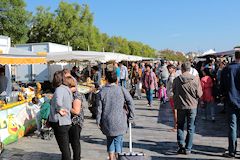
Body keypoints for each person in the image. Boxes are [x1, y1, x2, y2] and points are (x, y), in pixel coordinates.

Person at [96, 70, 135, 160]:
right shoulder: (121, 89)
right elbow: (131, 102)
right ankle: (119, 157)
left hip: (107, 121)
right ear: (116, 79)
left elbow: (99, 109)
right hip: (120, 120)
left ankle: (111, 157)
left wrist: (98, 120)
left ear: (106, 79)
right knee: (118, 140)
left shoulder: (102, 92)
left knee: (110, 140)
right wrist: (131, 116)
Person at [173, 62, 203, 155]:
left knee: (180, 126)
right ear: (190, 69)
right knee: (191, 127)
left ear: (182, 69)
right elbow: (199, 94)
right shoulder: (195, 79)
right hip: (192, 106)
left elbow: (174, 91)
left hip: (180, 105)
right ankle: (188, 148)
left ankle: (181, 145)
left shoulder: (176, 79)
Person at [49, 71, 73, 160]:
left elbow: (59, 102)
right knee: (65, 146)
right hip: (66, 120)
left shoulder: (59, 89)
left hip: (60, 121)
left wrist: (59, 109)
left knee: (64, 148)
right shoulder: (67, 89)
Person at [221, 51, 240, 158]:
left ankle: (232, 151)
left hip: (231, 100)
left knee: (232, 127)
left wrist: (223, 95)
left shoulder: (227, 69)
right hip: (233, 99)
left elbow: (222, 86)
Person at [63, 69, 84, 160]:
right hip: (68, 121)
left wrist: (66, 107)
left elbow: (76, 111)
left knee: (75, 143)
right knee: (68, 142)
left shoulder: (76, 95)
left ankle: (76, 158)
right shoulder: (68, 93)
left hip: (75, 122)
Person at [166, 64, 177, 131]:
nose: (169, 70)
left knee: (175, 111)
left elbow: (174, 86)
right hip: (170, 95)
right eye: (168, 68)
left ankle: (176, 126)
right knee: (174, 111)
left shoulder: (173, 76)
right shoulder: (171, 76)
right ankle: (176, 125)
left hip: (173, 95)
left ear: (173, 69)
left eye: (170, 68)